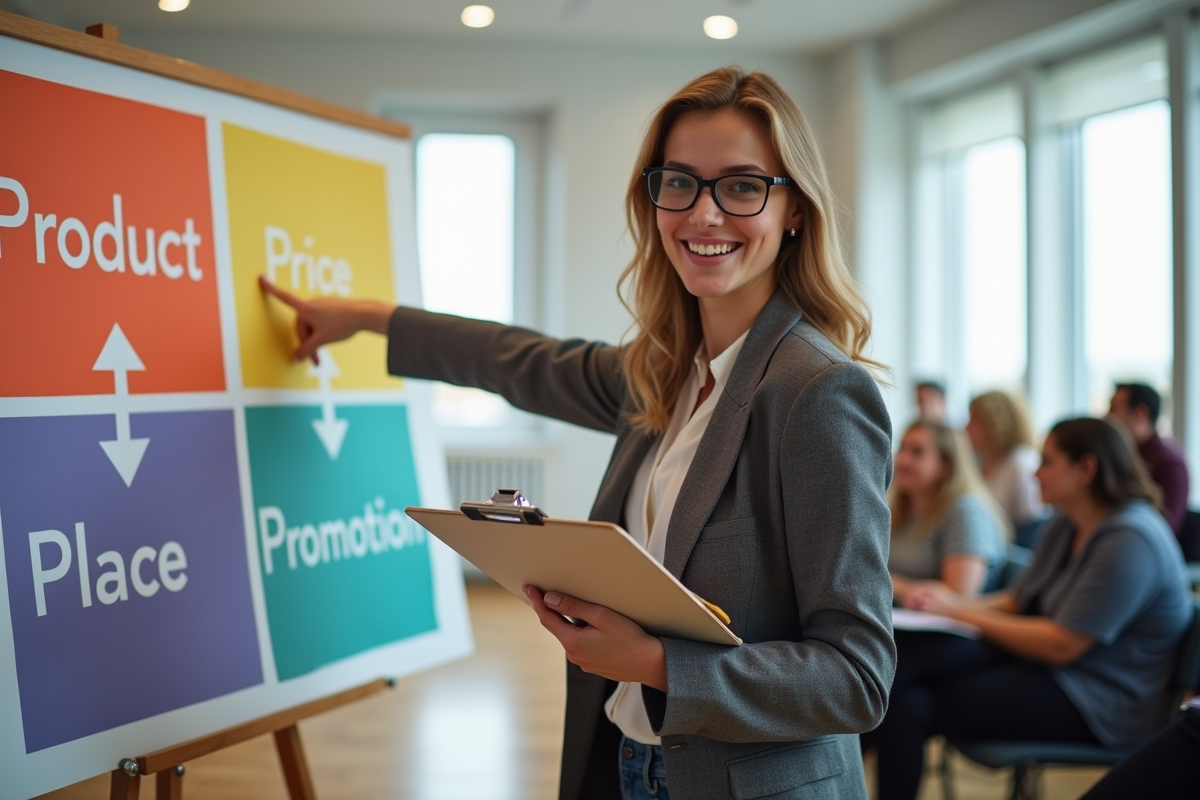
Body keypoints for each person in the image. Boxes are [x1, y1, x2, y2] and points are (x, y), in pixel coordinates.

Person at [261, 67, 896, 800]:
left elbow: (856, 679)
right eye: (680, 182)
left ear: (794, 210)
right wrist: (371, 318)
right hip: (630, 762)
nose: (704, 214)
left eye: (743, 185)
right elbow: (516, 360)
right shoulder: (664, 375)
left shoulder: (816, 392)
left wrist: (656, 662)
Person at [863, 417, 1192, 800]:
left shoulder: (1132, 537)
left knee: (905, 697)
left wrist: (959, 612)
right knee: (905, 689)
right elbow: (1021, 601)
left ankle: (836, 755)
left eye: (1047, 461)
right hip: (1052, 670)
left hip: (1098, 700)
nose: (1035, 473)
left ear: (1086, 469)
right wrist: (954, 605)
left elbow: (1062, 644)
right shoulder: (1066, 523)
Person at [888, 420, 1007, 605]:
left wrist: (890, 584)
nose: (903, 459)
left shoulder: (965, 511)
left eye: (917, 452)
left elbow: (960, 595)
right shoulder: (899, 506)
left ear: (945, 466)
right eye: (902, 448)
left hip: (947, 629)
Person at [1108, 382, 1191, 537]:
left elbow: (1162, 529)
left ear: (1140, 415)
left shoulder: (1168, 463)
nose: (1107, 417)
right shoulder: (1125, 456)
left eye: (1113, 409)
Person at [964, 391, 1045, 528]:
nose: (966, 427)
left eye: (974, 420)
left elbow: (1030, 524)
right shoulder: (978, 460)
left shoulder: (1021, 462)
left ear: (995, 422)